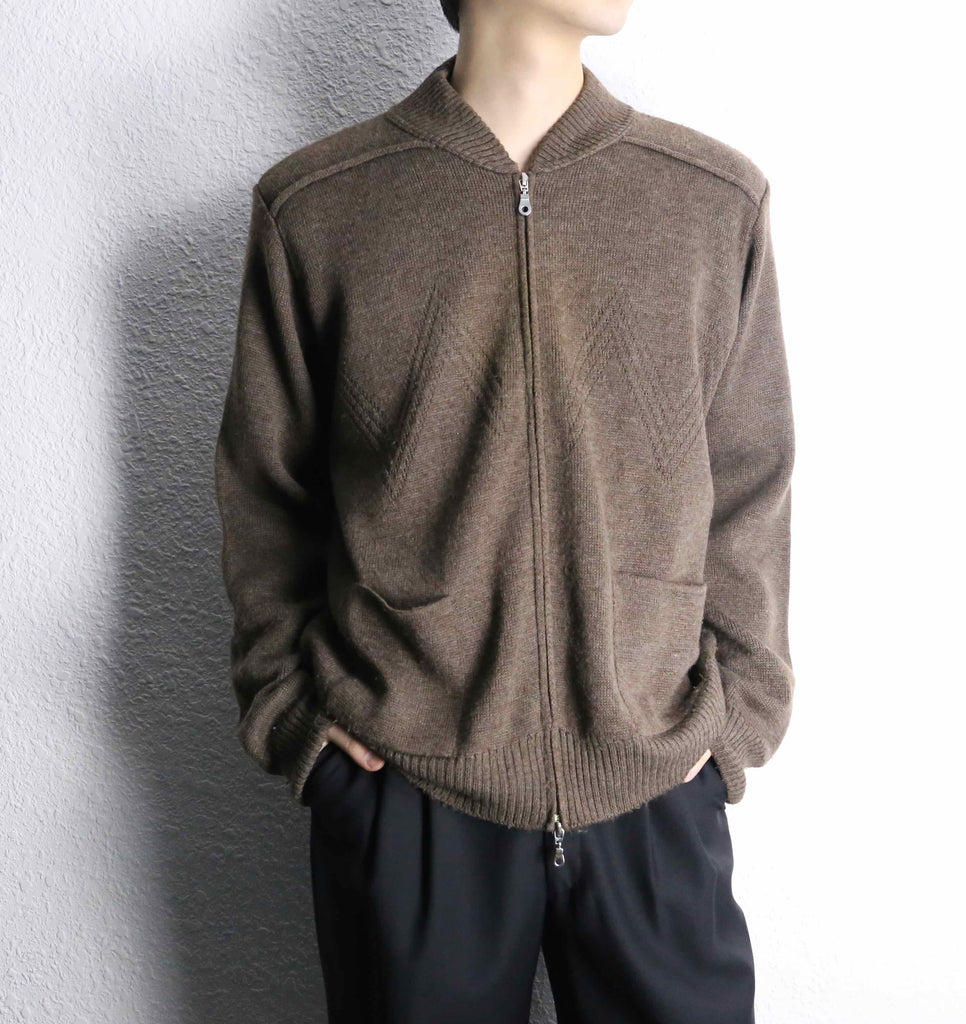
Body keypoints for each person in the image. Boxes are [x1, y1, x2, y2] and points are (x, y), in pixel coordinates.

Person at [213, 0, 796, 1020]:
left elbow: (749, 478)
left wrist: (734, 717)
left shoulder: (709, 199)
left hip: (654, 781)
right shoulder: (320, 207)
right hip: (407, 795)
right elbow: (267, 494)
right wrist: (299, 718)